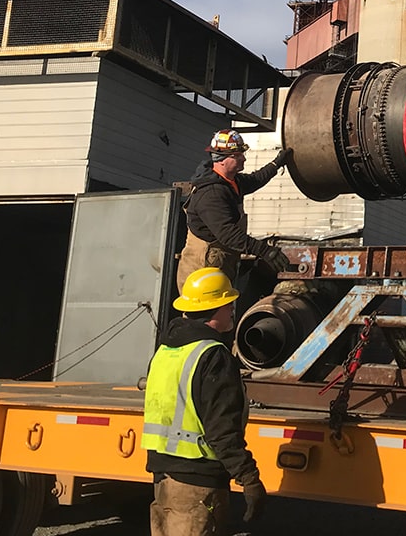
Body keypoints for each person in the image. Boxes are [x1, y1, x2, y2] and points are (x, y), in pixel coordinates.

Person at [144, 267, 267, 534]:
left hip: (163, 476)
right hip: (197, 483)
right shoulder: (213, 356)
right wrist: (248, 477)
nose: (233, 309)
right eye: (229, 304)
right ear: (215, 308)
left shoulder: (166, 350)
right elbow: (221, 428)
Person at [179, 128, 293, 293]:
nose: (243, 158)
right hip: (202, 274)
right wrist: (264, 250)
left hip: (218, 265)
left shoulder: (231, 182)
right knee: (204, 316)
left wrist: (276, 163)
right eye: (237, 155)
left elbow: (255, 180)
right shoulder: (211, 193)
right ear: (222, 159)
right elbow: (228, 233)